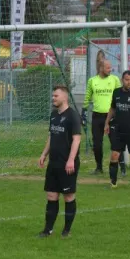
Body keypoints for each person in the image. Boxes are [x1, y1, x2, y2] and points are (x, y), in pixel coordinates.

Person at [38, 85, 82, 238]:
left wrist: (70, 160)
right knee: (51, 196)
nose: (53, 98)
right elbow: (51, 136)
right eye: (53, 96)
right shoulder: (53, 115)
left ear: (64, 97)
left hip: (67, 163)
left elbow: (76, 139)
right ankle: (47, 230)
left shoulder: (73, 116)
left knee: (68, 196)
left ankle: (66, 231)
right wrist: (44, 154)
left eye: (56, 96)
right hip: (54, 163)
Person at [82, 58, 124, 175]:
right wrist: (84, 111)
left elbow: (120, 96)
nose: (110, 69)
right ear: (100, 68)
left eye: (110, 67)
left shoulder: (115, 79)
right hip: (97, 116)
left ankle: (122, 168)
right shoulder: (92, 81)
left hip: (112, 116)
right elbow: (87, 97)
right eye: (108, 67)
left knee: (115, 142)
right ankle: (99, 167)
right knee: (97, 144)